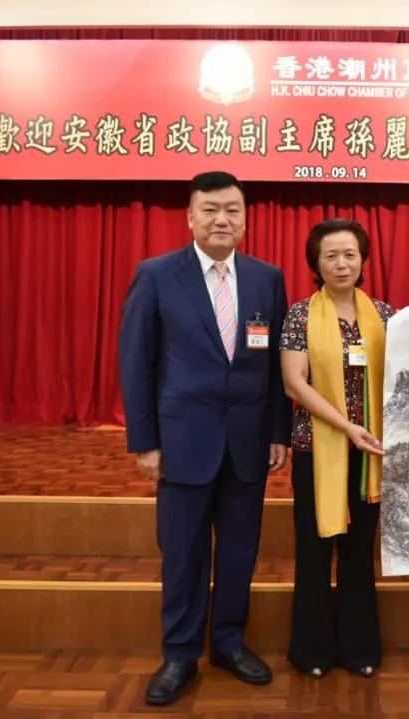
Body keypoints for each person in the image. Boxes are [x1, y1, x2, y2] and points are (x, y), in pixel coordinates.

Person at [119, 171, 290, 706]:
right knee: (183, 553)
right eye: (211, 209)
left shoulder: (266, 278)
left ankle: (229, 643)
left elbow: (275, 365)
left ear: (245, 217)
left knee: (239, 550)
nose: (222, 219)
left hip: (247, 442)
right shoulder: (156, 275)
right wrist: (145, 441)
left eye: (232, 210)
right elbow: (137, 363)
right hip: (182, 442)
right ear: (190, 216)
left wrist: (278, 431)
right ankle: (179, 654)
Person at [279, 218, 393, 679]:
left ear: (363, 260)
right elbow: (294, 383)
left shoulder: (384, 315)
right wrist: (347, 427)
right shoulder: (300, 315)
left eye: (350, 254)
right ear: (317, 263)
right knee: (314, 548)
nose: (341, 263)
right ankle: (311, 650)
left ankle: (358, 647)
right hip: (317, 450)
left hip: (370, 453)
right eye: (331, 255)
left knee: (358, 551)